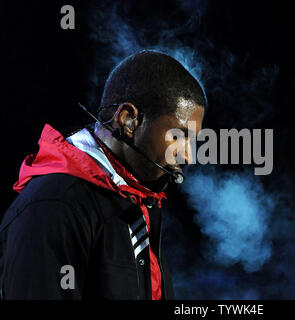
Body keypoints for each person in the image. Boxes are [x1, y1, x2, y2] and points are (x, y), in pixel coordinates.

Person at [0, 50, 206, 299]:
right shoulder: (53, 207)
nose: (187, 155)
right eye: (178, 135)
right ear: (129, 121)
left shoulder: (136, 198)